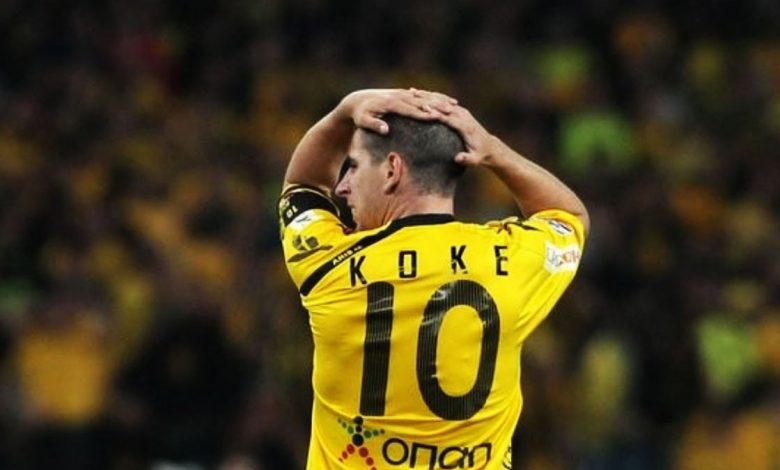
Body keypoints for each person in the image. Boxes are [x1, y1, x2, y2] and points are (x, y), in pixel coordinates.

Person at [278, 88, 589, 469]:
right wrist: (494, 151)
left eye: (354, 166)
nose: (342, 187)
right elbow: (568, 216)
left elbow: (305, 186)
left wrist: (345, 110)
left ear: (392, 169)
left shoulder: (329, 264)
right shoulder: (510, 260)